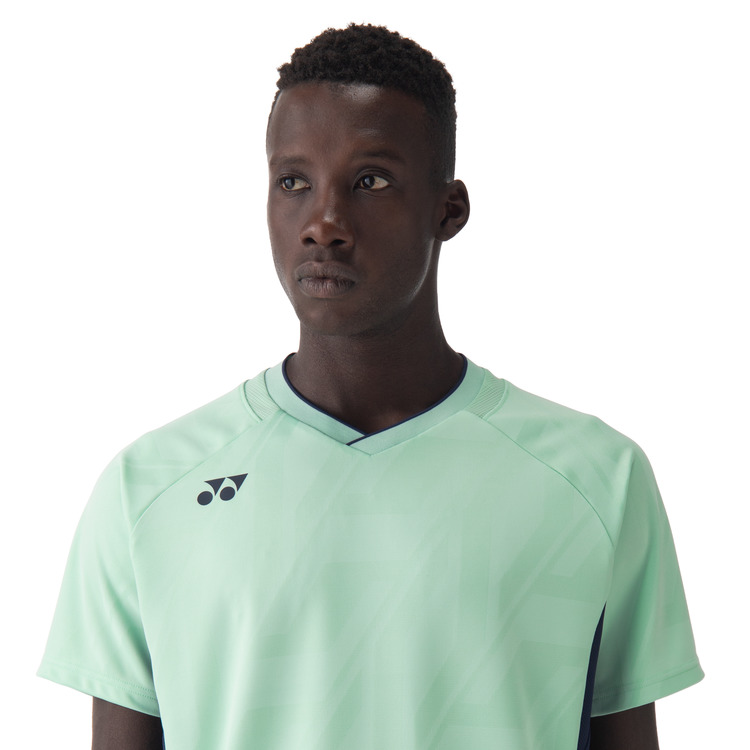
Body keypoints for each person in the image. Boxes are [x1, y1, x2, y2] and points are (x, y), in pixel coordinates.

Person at [39, 24, 703, 750]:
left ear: (448, 209)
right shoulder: (147, 489)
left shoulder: (597, 479)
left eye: (371, 181)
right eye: (293, 182)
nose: (323, 223)